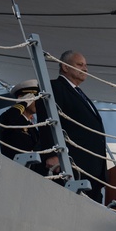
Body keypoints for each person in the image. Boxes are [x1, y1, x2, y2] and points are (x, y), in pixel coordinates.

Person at [40, 50, 108, 203]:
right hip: (71, 165)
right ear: (65, 67)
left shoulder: (80, 94)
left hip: (92, 171)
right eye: (80, 64)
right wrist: (52, 153)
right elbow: (48, 118)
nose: (85, 69)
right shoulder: (55, 87)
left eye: (86, 65)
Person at [0, 79, 43, 165]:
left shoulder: (33, 129)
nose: (38, 102)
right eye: (34, 98)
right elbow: (9, 119)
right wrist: (23, 103)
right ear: (22, 98)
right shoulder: (7, 117)